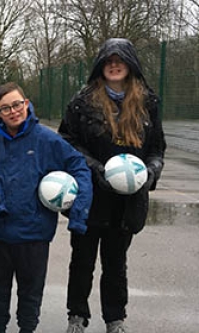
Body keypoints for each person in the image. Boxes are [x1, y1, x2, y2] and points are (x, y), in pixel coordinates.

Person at [58, 38, 166, 333]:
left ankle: (115, 318)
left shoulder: (148, 103)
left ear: (131, 65)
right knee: (82, 260)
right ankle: (77, 316)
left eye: (120, 60)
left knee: (116, 263)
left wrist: (150, 173)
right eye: (109, 60)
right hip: (90, 195)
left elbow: (157, 149)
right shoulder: (82, 102)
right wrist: (96, 169)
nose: (114, 65)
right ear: (100, 66)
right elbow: (67, 141)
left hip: (128, 201)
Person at [0, 82, 93, 333]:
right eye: (6, 108)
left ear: (26, 103)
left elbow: (80, 168)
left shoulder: (48, 140)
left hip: (34, 235)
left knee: (30, 294)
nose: (13, 111)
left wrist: (78, 213)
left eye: (17, 104)